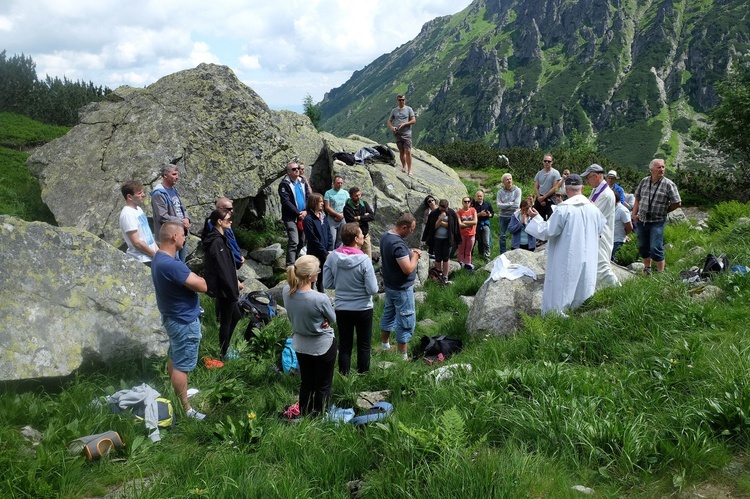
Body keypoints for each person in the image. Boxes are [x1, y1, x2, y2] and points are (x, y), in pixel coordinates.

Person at [525, 175, 606, 316]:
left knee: (562, 289)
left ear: (566, 189)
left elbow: (547, 231)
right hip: (589, 256)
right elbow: (600, 229)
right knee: (584, 287)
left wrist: (536, 218)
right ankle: (581, 317)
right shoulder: (594, 210)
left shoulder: (563, 209)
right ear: (582, 188)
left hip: (567, 256)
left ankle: (557, 318)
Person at [151, 221, 208, 420]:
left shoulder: (159, 258)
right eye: (183, 235)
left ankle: (179, 393)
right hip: (183, 320)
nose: (185, 238)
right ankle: (185, 409)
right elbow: (201, 285)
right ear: (174, 237)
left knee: (175, 356)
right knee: (182, 364)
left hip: (172, 316)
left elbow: (187, 277)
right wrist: (201, 279)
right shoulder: (172, 264)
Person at [283, 255, 337, 417]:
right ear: (310, 276)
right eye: (318, 270)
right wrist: (325, 319)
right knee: (323, 384)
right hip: (322, 345)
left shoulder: (287, 291)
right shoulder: (319, 298)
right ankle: (320, 415)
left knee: (307, 381)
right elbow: (333, 318)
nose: (319, 272)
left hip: (300, 343)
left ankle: (304, 412)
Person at [323, 223, 378, 375]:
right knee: (364, 345)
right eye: (361, 235)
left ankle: (344, 376)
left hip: (342, 307)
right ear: (356, 239)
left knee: (345, 345)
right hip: (363, 308)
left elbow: (327, 283)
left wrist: (341, 283)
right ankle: (363, 376)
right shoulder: (365, 260)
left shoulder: (333, 256)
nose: (363, 237)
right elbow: (373, 289)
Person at [202, 208, 244, 360]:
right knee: (227, 319)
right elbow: (222, 269)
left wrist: (235, 281)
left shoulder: (220, 238)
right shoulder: (217, 242)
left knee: (236, 316)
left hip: (228, 286)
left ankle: (225, 348)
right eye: (228, 219)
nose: (231, 221)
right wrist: (232, 288)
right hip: (224, 288)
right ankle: (224, 353)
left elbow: (227, 266)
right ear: (219, 222)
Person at [380, 213, 421, 360]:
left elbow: (395, 256)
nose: (412, 232)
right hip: (401, 288)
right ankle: (403, 356)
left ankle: (385, 345)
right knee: (406, 319)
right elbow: (408, 269)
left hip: (390, 285)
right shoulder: (397, 244)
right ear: (404, 227)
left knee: (389, 314)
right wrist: (415, 257)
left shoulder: (386, 236)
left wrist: (409, 252)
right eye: (411, 229)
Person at [631, 158, 682, 274]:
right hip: (642, 220)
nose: (662, 169)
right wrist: (634, 213)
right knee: (643, 246)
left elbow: (677, 202)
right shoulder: (644, 181)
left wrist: (666, 210)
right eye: (659, 167)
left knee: (655, 247)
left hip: (657, 221)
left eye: (663, 167)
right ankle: (647, 268)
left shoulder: (669, 184)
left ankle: (660, 273)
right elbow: (637, 198)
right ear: (651, 169)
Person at [581, 163, 619, 290]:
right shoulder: (596, 190)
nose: (587, 180)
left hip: (601, 235)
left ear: (596, 176)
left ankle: (619, 289)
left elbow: (594, 214)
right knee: (595, 265)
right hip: (595, 234)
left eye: (588, 177)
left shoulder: (606, 195)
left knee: (602, 266)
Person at [151, 164, 191, 262]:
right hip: (170, 238)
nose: (177, 177)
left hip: (181, 233)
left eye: (177, 174)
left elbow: (183, 208)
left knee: (182, 263)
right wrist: (182, 222)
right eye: (174, 174)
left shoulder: (174, 190)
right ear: (165, 175)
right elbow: (162, 216)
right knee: (174, 263)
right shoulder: (158, 193)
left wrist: (187, 219)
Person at [279, 161, 311, 267]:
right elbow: (286, 201)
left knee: (302, 241)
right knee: (294, 240)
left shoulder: (302, 181)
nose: (297, 170)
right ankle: (290, 265)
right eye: (294, 169)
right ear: (288, 172)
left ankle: (296, 261)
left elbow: (308, 197)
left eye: (297, 168)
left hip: (304, 215)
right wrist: (298, 213)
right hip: (291, 217)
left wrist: (306, 211)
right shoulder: (284, 184)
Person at [119, 180, 158, 266]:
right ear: (129, 197)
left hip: (152, 256)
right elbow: (136, 242)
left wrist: (158, 252)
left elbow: (148, 235)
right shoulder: (128, 215)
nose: (143, 195)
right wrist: (154, 254)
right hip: (142, 260)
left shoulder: (138, 209)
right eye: (139, 193)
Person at [423, 199, 461, 284]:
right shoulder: (434, 213)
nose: (443, 210)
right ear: (439, 206)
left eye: (445, 209)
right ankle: (438, 274)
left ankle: (445, 276)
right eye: (442, 209)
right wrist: (441, 219)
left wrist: (442, 223)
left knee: (446, 258)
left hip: (447, 239)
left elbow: (453, 226)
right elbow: (432, 227)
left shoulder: (452, 213)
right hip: (437, 239)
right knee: (438, 258)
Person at [200, 198, 244, 268]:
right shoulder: (214, 225)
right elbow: (225, 246)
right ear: (221, 208)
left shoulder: (225, 223)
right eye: (229, 209)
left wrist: (240, 255)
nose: (232, 211)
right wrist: (237, 259)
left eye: (232, 208)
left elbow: (233, 241)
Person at [303, 193, 333, 292]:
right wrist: (324, 252)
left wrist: (330, 249)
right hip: (314, 253)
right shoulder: (308, 219)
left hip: (325, 253)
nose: (322, 203)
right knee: (311, 277)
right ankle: (309, 297)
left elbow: (329, 234)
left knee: (321, 278)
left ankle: (321, 295)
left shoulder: (323, 217)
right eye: (320, 201)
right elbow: (312, 239)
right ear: (314, 202)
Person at [387, 94, 416, 176]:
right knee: (401, 151)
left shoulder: (409, 109)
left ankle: (410, 170)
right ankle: (404, 166)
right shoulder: (394, 110)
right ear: (397, 100)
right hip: (397, 133)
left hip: (406, 133)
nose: (401, 101)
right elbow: (389, 121)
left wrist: (405, 124)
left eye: (403, 100)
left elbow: (413, 121)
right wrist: (392, 127)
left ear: (405, 100)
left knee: (408, 151)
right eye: (400, 100)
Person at [343, 186, 375, 259]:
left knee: (368, 259)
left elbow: (372, 216)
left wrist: (359, 217)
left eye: (359, 195)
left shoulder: (364, 204)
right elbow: (352, 223)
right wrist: (365, 218)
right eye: (356, 196)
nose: (358, 197)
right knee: (355, 259)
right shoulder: (347, 208)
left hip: (365, 237)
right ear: (351, 196)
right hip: (354, 239)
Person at [496, 173, 522, 254]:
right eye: (507, 179)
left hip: (514, 215)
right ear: (503, 182)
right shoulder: (500, 192)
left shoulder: (517, 190)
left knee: (515, 234)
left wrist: (504, 204)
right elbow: (498, 205)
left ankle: (514, 252)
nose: (509, 181)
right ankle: (502, 253)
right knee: (502, 236)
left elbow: (517, 205)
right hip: (503, 216)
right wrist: (511, 203)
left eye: (510, 179)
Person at [533, 154, 561, 221]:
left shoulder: (555, 173)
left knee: (551, 220)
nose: (547, 163)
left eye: (549, 161)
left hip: (550, 198)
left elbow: (555, 188)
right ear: (543, 162)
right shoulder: (539, 173)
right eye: (545, 161)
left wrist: (544, 197)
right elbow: (536, 187)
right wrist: (540, 198)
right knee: (538, 219)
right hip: (540, 197)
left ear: (552, 162)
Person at [324, 176, 349, 248]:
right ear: (334, 183)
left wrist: (342, 215)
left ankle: (339, 254)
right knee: (332, 238)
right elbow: (327, 207)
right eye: (338, 183)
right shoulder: (328, 193)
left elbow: (348, 206)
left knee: (341, 238)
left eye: (341, 183)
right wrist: (337, 215)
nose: (340, 184)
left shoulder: (345, 193)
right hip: (332, 218)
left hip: (343, 217)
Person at [472, 190, 494, 261]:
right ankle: (473, 255)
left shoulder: (487, 204)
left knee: (486, 240)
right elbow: (470, 215)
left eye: (480, 196)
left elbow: (492, 213)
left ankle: (487, 256)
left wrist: (490, 215)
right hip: (475, 224)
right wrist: (479, 214)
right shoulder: (473, 205)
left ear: (483, 196)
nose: (479, 197)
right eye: (478, 196)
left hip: (485, 223)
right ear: (476, 197)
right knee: (475, 241)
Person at [457, 196, 477, 269]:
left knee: (468, 251)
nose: (467, 203)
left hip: (471, 234)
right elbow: (459, 224)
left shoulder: (473, 210)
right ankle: (460, 266)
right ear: (462, 203)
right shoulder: (459, 212)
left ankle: (468, 265)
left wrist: (465, 222)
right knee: (461, 251)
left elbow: (475, 222)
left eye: (468, 201)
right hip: (462, 234)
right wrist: (470, 223)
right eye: (465, 201)